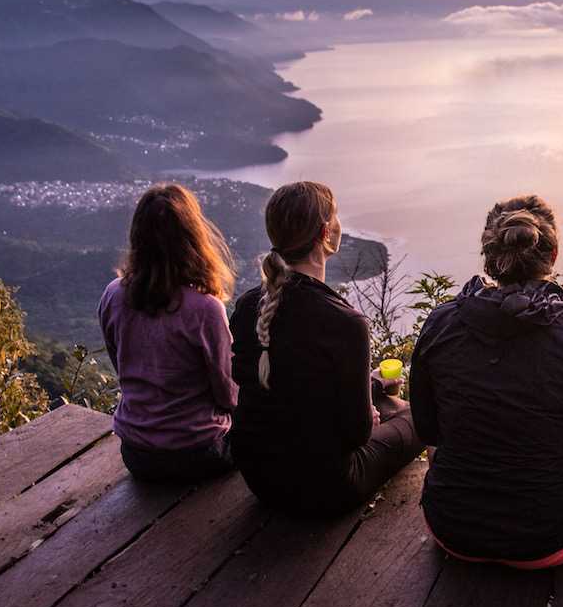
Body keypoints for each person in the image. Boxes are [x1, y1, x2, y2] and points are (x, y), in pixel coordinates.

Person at [409, 195, 563, 568]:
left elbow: (427, 429)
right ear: (552, 257)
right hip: (551, 537)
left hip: (452, 528)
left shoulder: (441, 324)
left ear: (488, 256)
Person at [228, 181, 423, 515]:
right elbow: (356, 435)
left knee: (385, 398)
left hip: (260, 477)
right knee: (418, 416)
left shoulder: (248, 307)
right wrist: (370, 409)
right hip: (325, 487)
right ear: (325, 233)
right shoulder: (345, 323)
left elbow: (286, 386)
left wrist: (370, 385)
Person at [99, 183, 238, 482]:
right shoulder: (205, 309)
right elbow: (227, 393)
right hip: (200, 452)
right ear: (192, 237)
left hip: (136, 454)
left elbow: (120, 364)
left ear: (138, 237)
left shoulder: (112, 296)